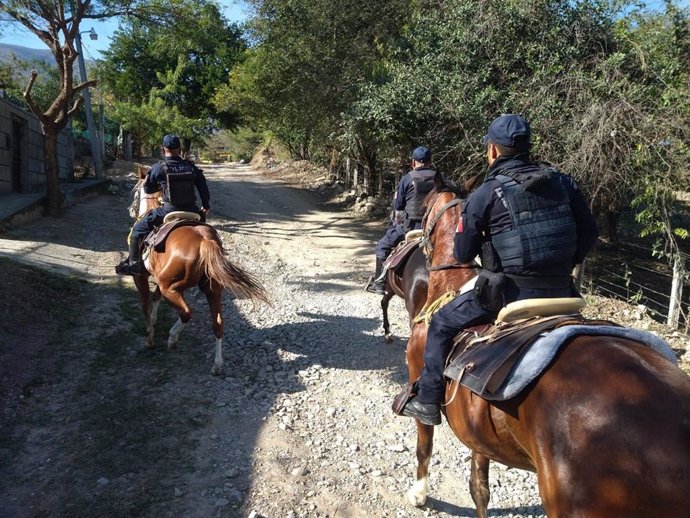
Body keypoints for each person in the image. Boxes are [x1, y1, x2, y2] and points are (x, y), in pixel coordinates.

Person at [400, 114, 599, 425]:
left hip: (509, 295)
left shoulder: (485, 193)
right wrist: (563, 263)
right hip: (565, 292)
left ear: (492, 151)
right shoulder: (564, 182)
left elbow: (463, 253)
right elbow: (589, 232)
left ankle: (427, 399)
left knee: (439, 323)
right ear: (528, 147)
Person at [115, 134, 211, 276]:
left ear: (163, 149)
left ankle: (134, 265)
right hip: (193, 211)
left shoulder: (158, 168)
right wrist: (206, 205)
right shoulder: (191, 167)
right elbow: (203, 187)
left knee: (137, 230)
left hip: (168, 211)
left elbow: (148, 189)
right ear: (179, 149)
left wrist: (160, 185)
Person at [365, 146, 437, 294]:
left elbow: (398, 205)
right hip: (434, 227)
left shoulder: (408, 178)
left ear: (413, 162)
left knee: (382, 246)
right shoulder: (441, 178)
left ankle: (379, 283)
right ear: (430, 161)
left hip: (411, 227)